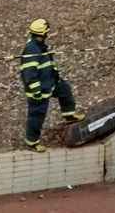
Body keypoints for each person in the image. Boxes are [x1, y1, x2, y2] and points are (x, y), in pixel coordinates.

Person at [20, 19, 85, 152]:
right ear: (42, 33)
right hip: (39, 91)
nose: (48, 34)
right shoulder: (32, 49)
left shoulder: (40, 45)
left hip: (50, 83)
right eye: (47, 32)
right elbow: (29, 74)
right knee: (37, 116)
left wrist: (56, 77)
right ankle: (32, 142)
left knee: (64, 90)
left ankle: (69, 114)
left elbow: (48, 64)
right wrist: (36, 91)